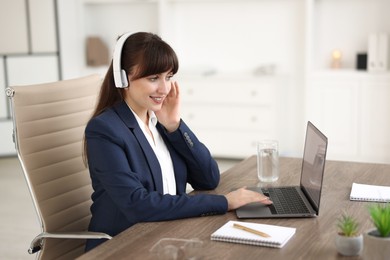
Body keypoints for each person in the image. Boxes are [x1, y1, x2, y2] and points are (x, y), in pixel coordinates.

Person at [83, 32, 272, 251]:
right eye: (153, 78)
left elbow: (208, 178)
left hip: (168, 236)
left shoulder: (159, 120)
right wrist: (226, 202)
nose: (164, 89)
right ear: (122, 79)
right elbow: (137, 204)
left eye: (169, 76)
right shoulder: (105, 130)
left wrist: (174, 125)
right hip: (124, 246)